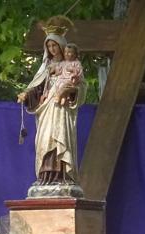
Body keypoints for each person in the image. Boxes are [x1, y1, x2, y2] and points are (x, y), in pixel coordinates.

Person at [17, 19, 86, 187]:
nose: (52, 49)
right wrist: (26, 94)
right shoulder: (46, 66)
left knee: (60, 137)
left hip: (62, 108)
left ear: (62, 46)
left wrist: (70, 90)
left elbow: (81, 86)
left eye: (55, 45)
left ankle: (63, 176)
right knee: (45, 139)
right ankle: (46, 175)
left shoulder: (71, 64)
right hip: (47, 106)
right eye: (49, 46)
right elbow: (38, 86)